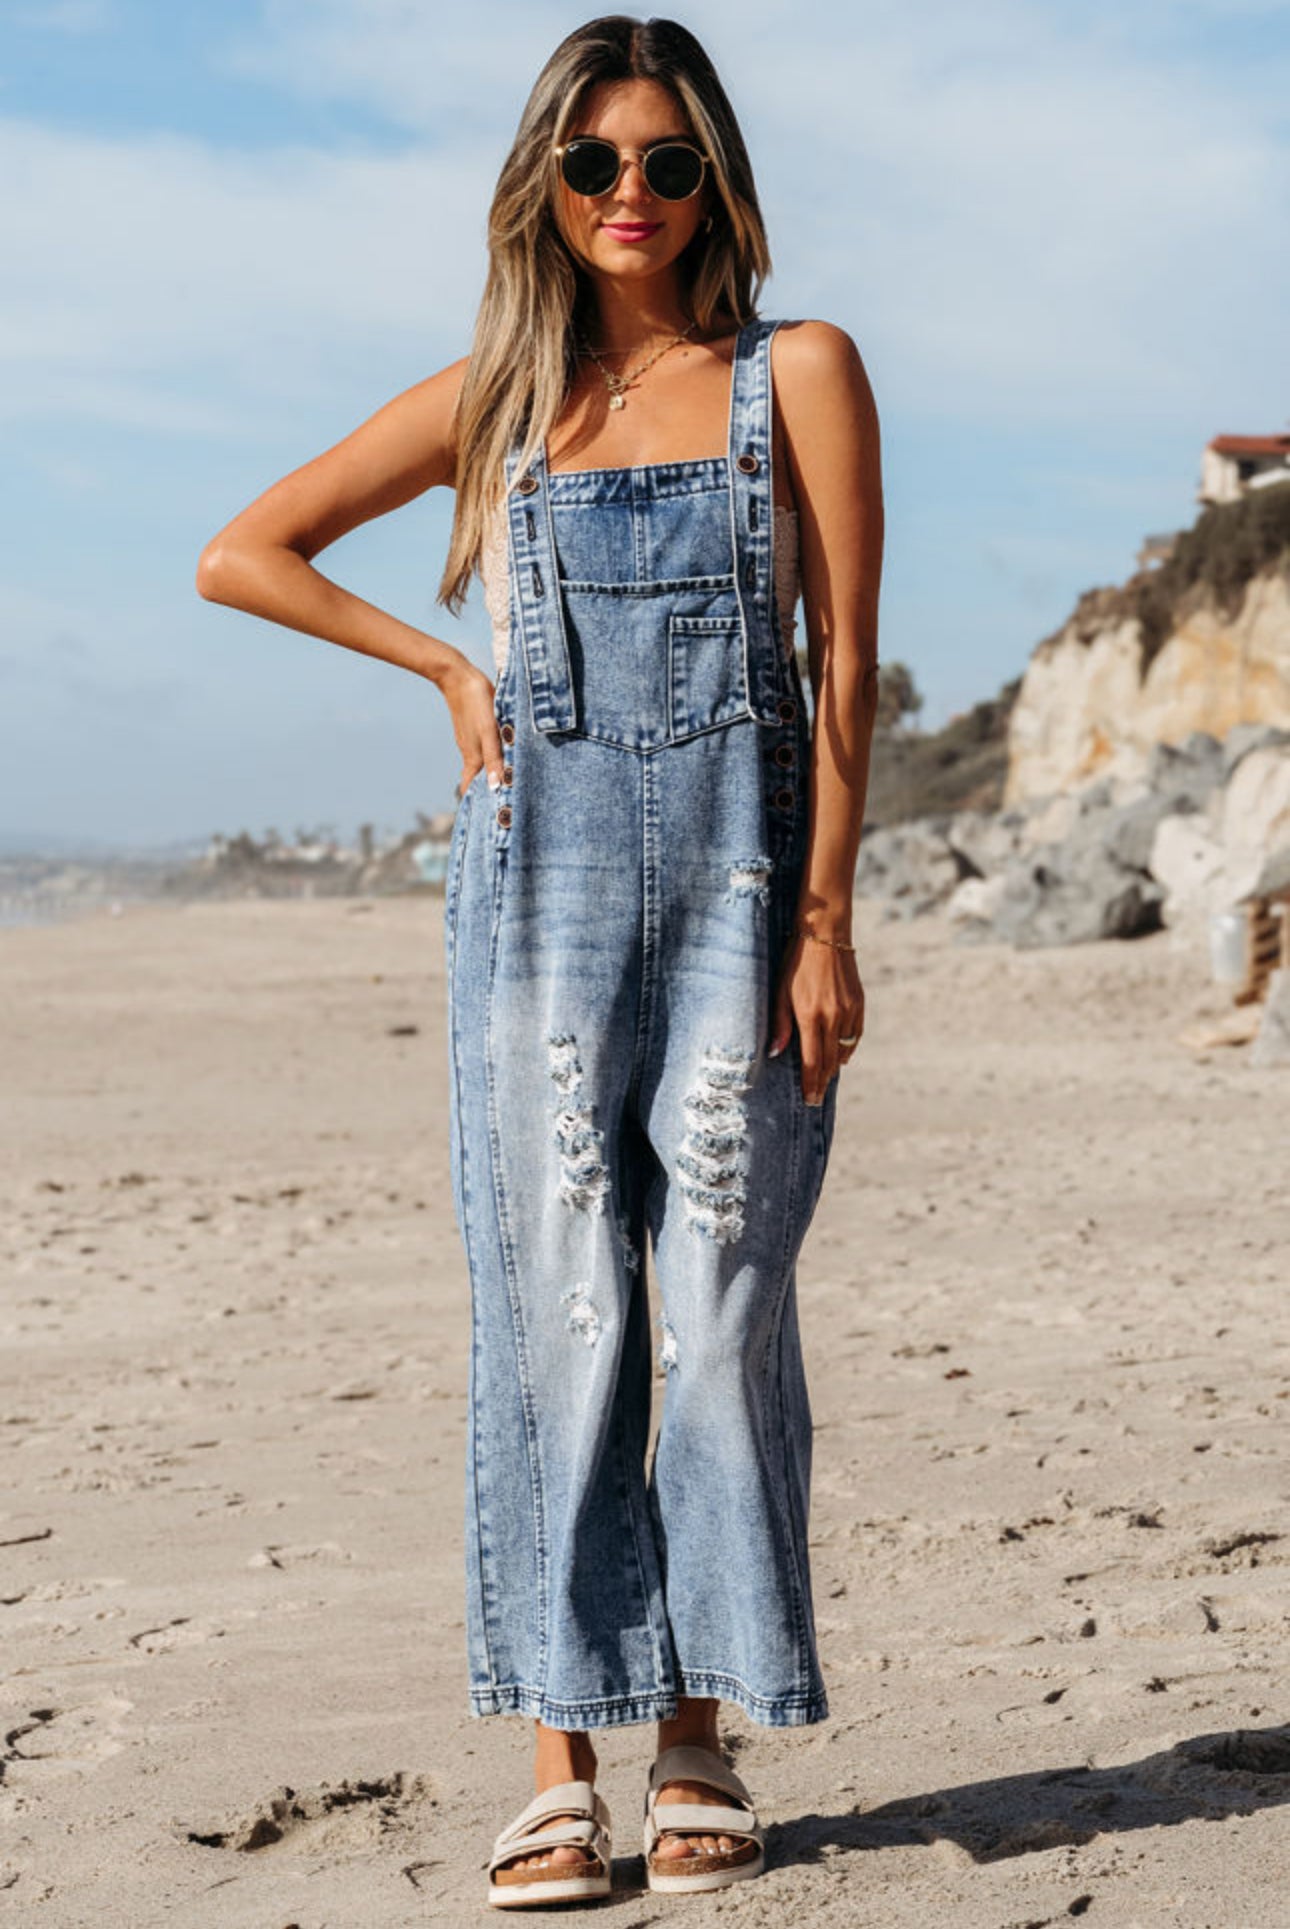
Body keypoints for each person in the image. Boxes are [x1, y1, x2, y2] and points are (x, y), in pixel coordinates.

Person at [196, 12, 882, 1908]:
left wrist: (826, 921)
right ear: (544, 186)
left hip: (746, 893)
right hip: (534, 903)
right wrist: (443, 666)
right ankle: (555, 1755)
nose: (633, 197)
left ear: (716, 178)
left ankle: (695, 1736)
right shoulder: (496, 399)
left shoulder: (796, 374)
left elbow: (838, 680)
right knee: (560, 1312)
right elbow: (242, 551)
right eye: (595, 164)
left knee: (726, 1312)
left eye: (668, 163)